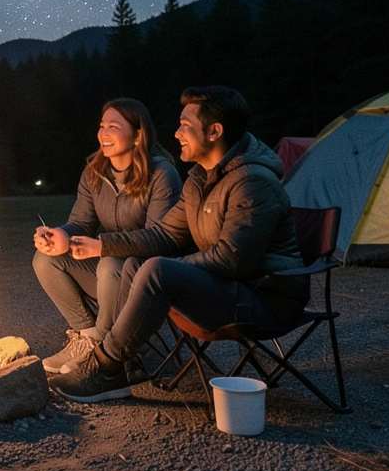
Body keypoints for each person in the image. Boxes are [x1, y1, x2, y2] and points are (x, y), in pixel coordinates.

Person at [49, 86, 308, 403]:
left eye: (186, 125)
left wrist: (167, 270)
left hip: (265, 298)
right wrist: (101, 245)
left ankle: (103, 365)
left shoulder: (252, 181)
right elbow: (164, 235)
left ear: (214, 131)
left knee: (156, 269)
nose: (176, 133)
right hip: (230, 288)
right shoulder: (200, 179)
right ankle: (121, 367)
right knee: (137, 264)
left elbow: (232, 260)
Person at [32, 98, 181, 374]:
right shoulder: (94, 174)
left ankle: (104, 349)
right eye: (102, 126)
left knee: (111, 263)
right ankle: (86, 338)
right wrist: (60, 236)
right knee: (46, 258)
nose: (103, 133)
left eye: (114, 126)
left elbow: (160, 238)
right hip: (108, 275)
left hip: (147, 278)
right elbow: (81, 223)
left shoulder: (161, 174)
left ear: (138, 135)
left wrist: (101, 246)